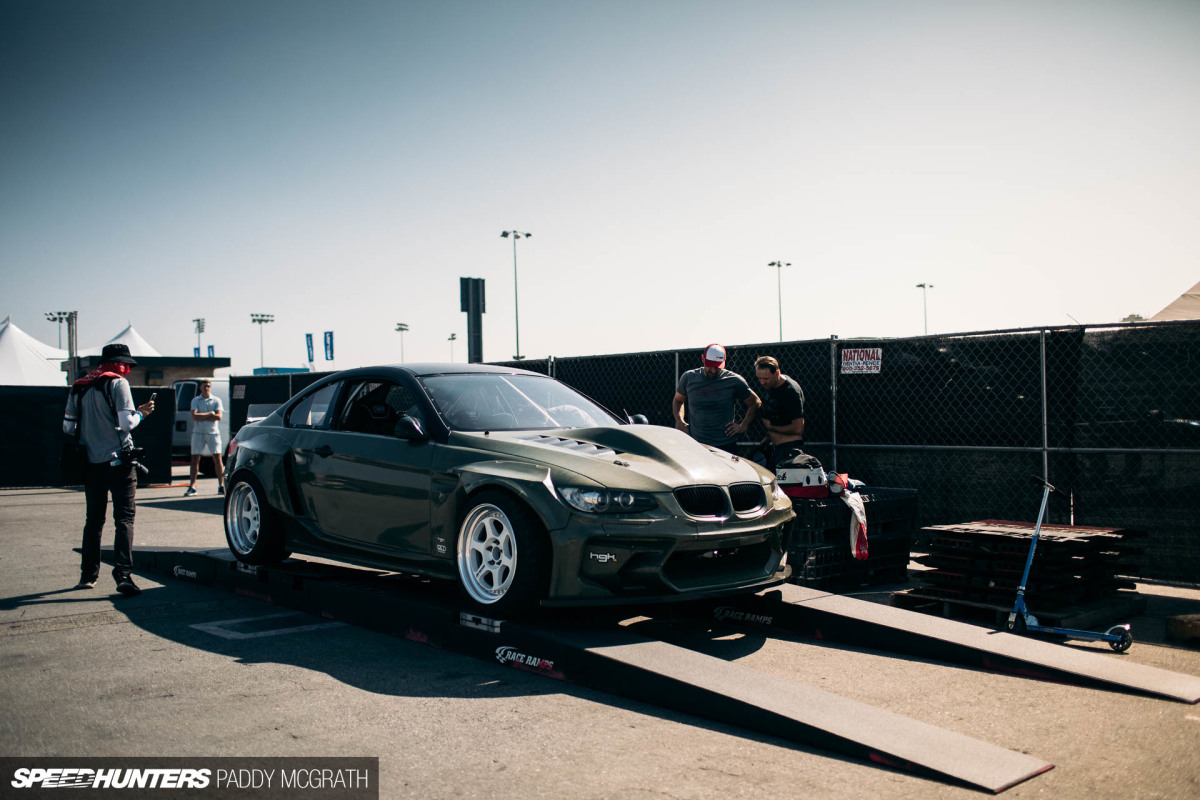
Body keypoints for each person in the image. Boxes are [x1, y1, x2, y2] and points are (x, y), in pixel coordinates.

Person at [62, 343, 155, 596]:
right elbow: (126, 423)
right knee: (124, 519)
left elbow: (68, 428)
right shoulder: (118, 384)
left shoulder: (79, 386)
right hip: (120, 463)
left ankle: (88, 575)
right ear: (121, 363)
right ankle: (123, 575)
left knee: (93, 521)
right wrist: (142, 414)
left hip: (91, 464)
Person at [673, 343, 760, 454]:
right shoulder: (688, 378)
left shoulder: (733, 380)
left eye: (717, 367)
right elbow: (678, 400)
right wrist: (680, 421)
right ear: (703, 359)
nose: (713, 371)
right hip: (697, 444)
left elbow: (755, 402)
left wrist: (743, 425)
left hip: (725, 445)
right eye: (710, 366)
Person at [754, 355, 806, 471]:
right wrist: (768, 437)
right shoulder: (771, 386)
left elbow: (798, 428)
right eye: (759, 378)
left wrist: (771, 428)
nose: (762, 382)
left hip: (789, 450)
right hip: (775, 448)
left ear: (777, 373)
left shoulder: (790, 391)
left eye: (766, 378)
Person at [185, 378, 224, 496]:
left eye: (208, 386)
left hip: (213, 432)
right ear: (200, 388)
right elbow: (195, 416)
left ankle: (221, 485)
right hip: (198, 432)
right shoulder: (195, 400)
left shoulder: (216, 400)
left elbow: (218, 417)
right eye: (204, 386)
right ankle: (192, 486)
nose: (206, 388)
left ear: (210, 387)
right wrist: (210, 414)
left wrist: (206, 416)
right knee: (195, 459)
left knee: (217, 459)